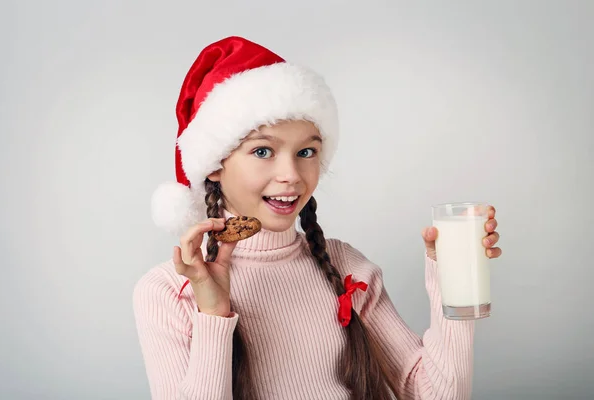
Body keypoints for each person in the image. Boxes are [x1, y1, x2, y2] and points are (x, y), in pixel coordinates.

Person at [133, 36, 502, 400]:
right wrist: (213, 312)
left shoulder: (344, 265)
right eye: (263, 150)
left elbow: (434, 395)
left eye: (306, 151)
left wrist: (454, 276)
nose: (292, 175)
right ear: (214, 165)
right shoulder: (168, 291)